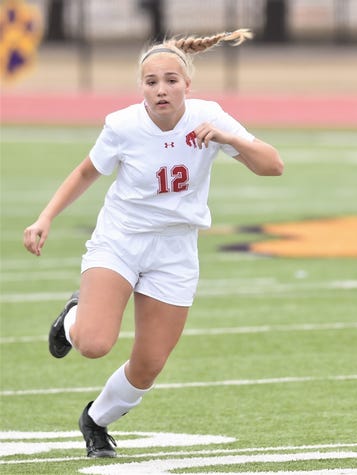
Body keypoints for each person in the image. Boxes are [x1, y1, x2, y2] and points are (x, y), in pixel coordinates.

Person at [23, 29, 284, 458]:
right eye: (151, 82)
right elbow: (88, 171)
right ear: (140, 86)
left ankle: (96, 420)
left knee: (148, 366)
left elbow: (273, 165)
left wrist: (228, 138)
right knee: (93, 343)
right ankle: (72, 318)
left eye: (171, 80)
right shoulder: (123, 125)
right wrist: (45, 216)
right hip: (121, 239)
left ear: (187, 85)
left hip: (176, 250)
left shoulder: (209, 116)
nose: (161, 90)